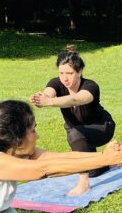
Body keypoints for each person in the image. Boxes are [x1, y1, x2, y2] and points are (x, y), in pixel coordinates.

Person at [30, 44, 115, 197]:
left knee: (75, 134)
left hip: (101, 128)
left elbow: (76, 99)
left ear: (79, 71)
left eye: (69, 73)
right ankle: (104, 162)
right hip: (78, 132)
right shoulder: (56, 82)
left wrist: (49, 102)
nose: (64, 78)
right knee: (93, 170)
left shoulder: (91, 86)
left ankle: (83, 183)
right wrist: (42, 98)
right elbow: (48, 93)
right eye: (61, 73)